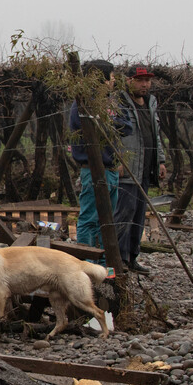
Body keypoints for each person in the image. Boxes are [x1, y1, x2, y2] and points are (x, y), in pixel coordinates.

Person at [68, 59, 129, 257]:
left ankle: (105, 263)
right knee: (89, 218)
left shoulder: (111, 102)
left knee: (108, 219)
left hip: (111, 169)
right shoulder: (83, 103)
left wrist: (109, 122)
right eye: (111, 77)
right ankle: (86, 262)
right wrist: (109, 123)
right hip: (92, 169)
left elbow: (126, 125)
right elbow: (93, 129)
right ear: (101, 79)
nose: (113, 81)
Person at [115, 64, 167, 273]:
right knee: (123, 214)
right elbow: (112, 136)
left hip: (145, 169)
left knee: (139, 215)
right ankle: (118, 259)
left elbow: (156, 136)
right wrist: (115, 161)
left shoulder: (151, 104)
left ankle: (132, 257)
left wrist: (161, 161)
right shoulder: (119, 103)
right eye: (140, 80)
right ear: (128, 81)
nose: (144, 84)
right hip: (127, 169)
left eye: (147, 80)